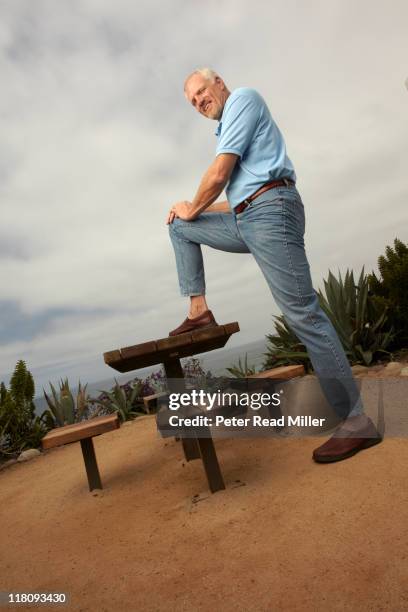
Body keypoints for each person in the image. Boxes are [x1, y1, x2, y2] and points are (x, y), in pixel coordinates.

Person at [166, 68, 382, 462]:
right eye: (192, 101)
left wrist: (193, 204)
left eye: (201, 91)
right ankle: (199, 313)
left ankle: (357, 421)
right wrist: (190, 213)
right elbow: (234, 197)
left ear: (219, 83)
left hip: (270, 211)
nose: (198, 101)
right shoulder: (227, 126)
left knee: (303, 315)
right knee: (180, 226)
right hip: (247, 215)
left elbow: (219, 175)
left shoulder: (243, 100)